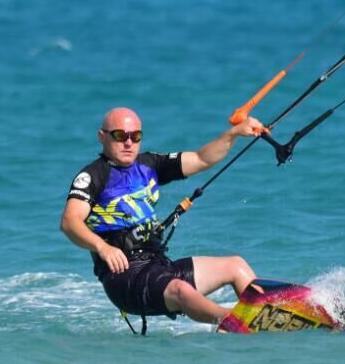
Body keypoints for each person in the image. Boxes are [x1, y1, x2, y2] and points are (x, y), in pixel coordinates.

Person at [60, 107, 265, 327]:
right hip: (124, 277)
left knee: (235, 266)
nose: (128, 143)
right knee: (181, 289)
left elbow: (201, 159)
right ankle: (233, 321)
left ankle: (267, 315)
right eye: (120, 135)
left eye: (135, 136)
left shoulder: (149, 164)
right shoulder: (93, 176)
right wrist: (103, 248)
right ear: (102, 137)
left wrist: (233, 133)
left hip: (157, 266)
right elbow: (70, 222)